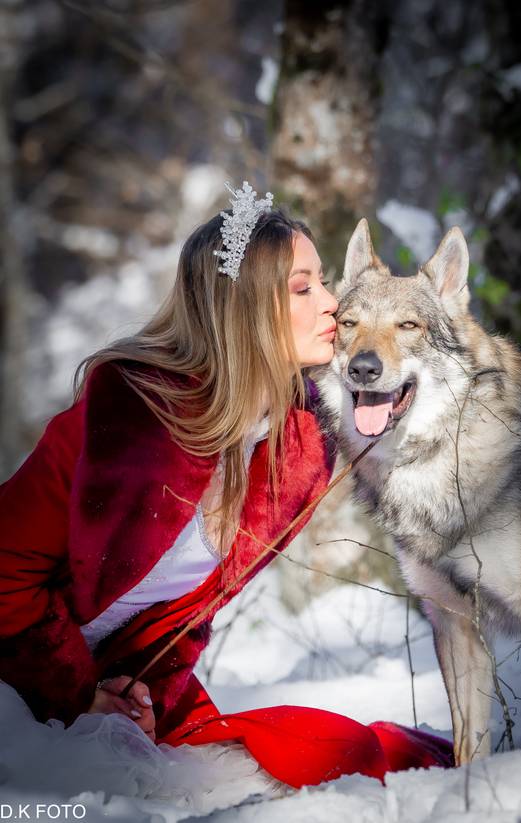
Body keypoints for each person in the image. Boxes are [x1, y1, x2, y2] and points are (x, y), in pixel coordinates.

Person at [0, 182, 452, 793]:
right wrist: (77, 695)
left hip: (119, 686)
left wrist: (138, 693)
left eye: (324, 282)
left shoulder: (297, 443)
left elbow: (185, 616)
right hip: (22, 673)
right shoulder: (127, 415)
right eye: (304, 288)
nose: (333, 303)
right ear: (245, 308)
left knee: (344, 751)